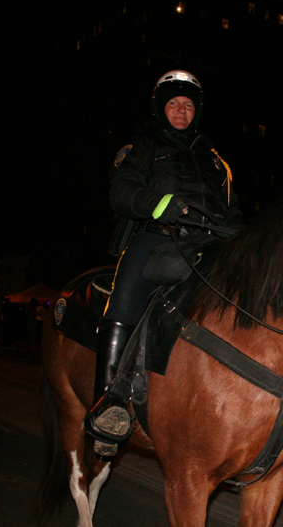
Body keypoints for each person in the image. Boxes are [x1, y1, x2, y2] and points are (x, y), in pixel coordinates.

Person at [85, 70, 243, 457]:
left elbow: (233, 209)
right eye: (174, 103)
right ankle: (109, 405)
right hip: (158, 238)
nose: (181, 110)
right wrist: (159, 204)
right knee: (123, 303)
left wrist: (242, 239)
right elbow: (121, 191)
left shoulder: (214, 159)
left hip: (211, 245)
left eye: (188, 105)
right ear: (160, 107)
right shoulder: (143, 145)